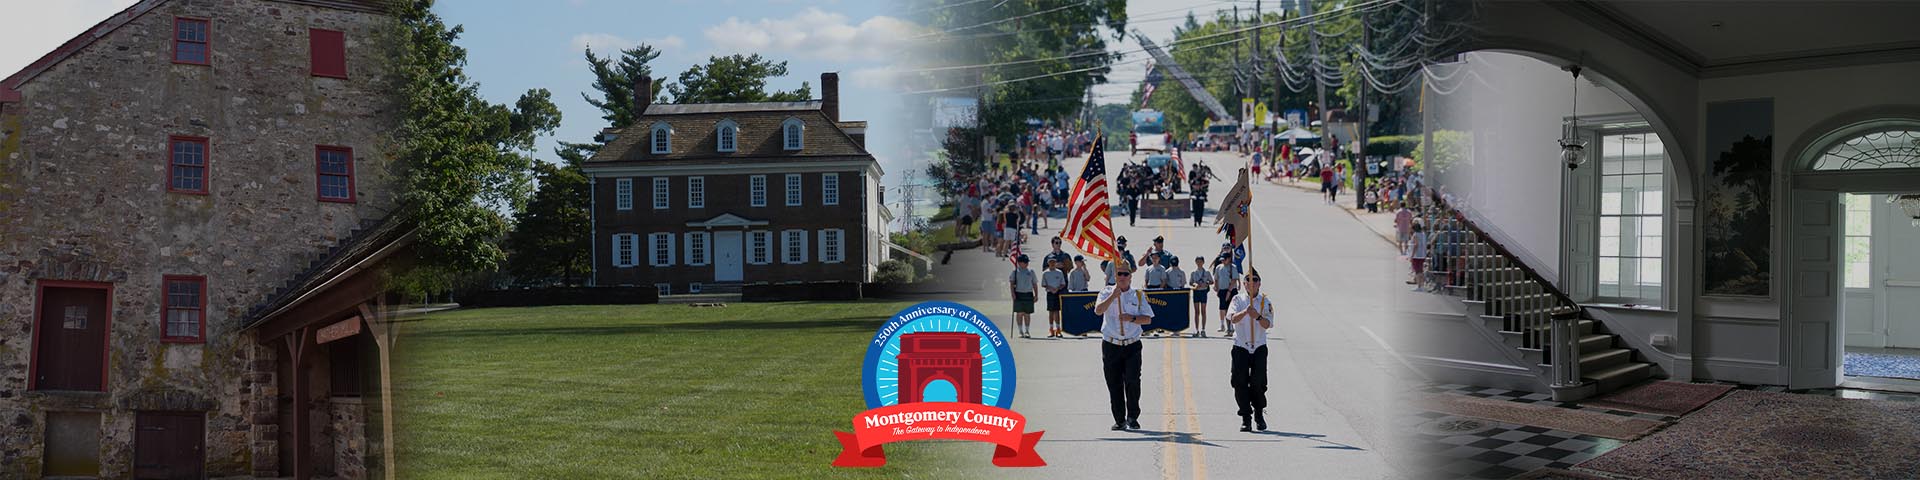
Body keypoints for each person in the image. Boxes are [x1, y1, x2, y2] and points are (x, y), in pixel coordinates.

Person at [1095, 261, 1153, 431]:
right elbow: (1098, 310)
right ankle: (1119, 419)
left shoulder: (1138, 295)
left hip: (1132, 345)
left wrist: (1132, 318)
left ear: (1130, 276)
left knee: (1133, 381)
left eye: (1125, 274)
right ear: (1114, 276)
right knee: (1114, 383)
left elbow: (1148, 318)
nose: (1122, 277)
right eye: (1119, 274)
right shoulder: (1106, 292)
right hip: (1111, 344)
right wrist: (1113, 296)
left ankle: (1133, 416)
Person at [1226, 269, 1274, 432]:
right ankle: (1246, 417)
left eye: (1255, 280)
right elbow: (1232, 318)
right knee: (1239, 382)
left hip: (1259, 346)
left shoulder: (1264, 302)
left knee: (1258, 382)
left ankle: (1259, 414)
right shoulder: (1238, 299)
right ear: (1245, 284)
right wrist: (1246, 312)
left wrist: (1258, 316)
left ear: (1259, 283)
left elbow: (1268, 324)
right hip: (1241, 346)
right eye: (1248, 281)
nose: (1252, 283)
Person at [1010, 254, 1037, 338]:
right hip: (1019, 293)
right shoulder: (1015, 272)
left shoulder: (1031, 272)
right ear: (1019, 263)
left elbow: (1034, 284)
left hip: (1028, 293)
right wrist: (1013, 294)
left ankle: (1027, 330)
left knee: (1027, 314)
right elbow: (1011, 284)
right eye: (1024, 262)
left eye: (1027, 262)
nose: (1026, 264)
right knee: (1019, 313)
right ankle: (1020, 330)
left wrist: (1036, 294)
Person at [1213, 254, 1240, 335]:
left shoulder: (1233, 267)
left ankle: (1232, 327)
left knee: (1231, 309)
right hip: (1222, 290)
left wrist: (1229, 291)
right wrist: (1217, 289)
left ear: (1229, 259)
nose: (1223, 261)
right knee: (1224, 308)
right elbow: (1216, 279)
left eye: (1224, 259)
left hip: (1231, 290)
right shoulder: (1219, 267)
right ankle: (1227, 327)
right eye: (1222, 260)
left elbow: (1234, 280)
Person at [1189, 256, 1213, 338]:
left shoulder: (1206, 272)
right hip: (1196, 292)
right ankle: (1196, 329)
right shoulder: (1193, 272)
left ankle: (1203, 329)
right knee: (1196, 311)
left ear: (1203, 262)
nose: (1199, 263)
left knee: (1203, 311)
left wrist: (1206, 283)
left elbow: (1211, 281)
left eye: (1200, 261)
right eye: (1197, 261)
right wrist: (1195, 284)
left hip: (1203, 292)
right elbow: (1190, 282)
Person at [1043, 257, 1067, 338]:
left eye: (1053, 262)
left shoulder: (1059, 272)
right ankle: (1051, 329)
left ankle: (1058, 329)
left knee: (1057, 311)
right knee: (1050, 311)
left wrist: (1057, 288)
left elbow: (1063, 283)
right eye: (1050, 262)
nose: (1052, 264)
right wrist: (1050, 288)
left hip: (1057, 293)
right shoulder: (1045, 273)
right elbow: (1043, 284)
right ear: (1048, 263)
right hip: (1050, 293)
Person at [1407, 222, 1430, 291]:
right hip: (1422, 255)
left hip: (1417, 256)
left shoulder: (1415, 235)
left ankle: (1419, 286)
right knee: (1421, 270)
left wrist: (1412, 255)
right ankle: (1422, 286)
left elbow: (1416, 245)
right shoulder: (1423, 234)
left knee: (1417, 271)